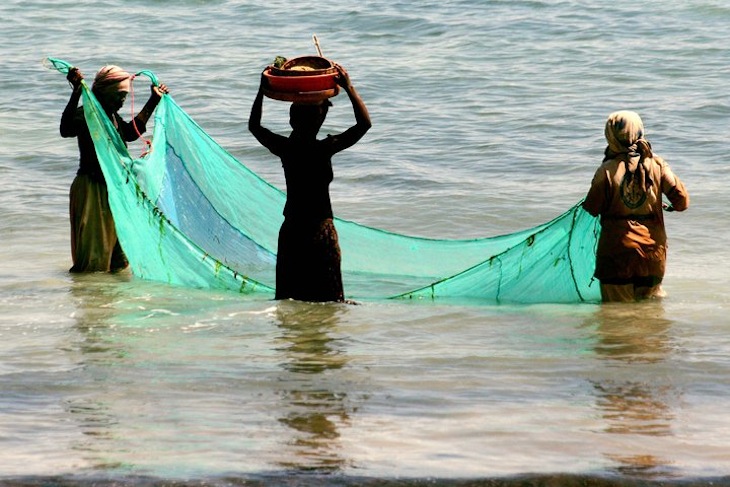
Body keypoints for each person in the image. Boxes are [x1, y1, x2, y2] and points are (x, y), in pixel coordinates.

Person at [248, 64, 371, 302]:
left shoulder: (286, 148)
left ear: (292, 120)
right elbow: (364, 125)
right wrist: (348, 87)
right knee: (329, 300)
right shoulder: (324, 148)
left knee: (289, 298)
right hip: (320, 232)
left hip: (292, 232)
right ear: (320, 121)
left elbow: (254, 126)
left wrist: (261, 91)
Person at [60, 65, 169, 273]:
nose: (122, 101)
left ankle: (110, 298)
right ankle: (89, 300)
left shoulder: (112, 117)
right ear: (104, 93)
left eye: (125, 97)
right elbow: (65, 129)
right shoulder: (87, 115)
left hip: (114, 191)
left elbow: (129, 133)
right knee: (93, 263)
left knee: (119, 261)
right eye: (119, 96)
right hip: (92, 190)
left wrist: (154, 100)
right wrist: (76, 92)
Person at [582, 110, 689, 302]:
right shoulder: (657, 164)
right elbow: (682, 202)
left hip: (617, 255)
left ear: (611, 135)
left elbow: (591, 208)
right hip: (652, 255)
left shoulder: (606, 171)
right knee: (650, 315)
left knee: (616, 318)